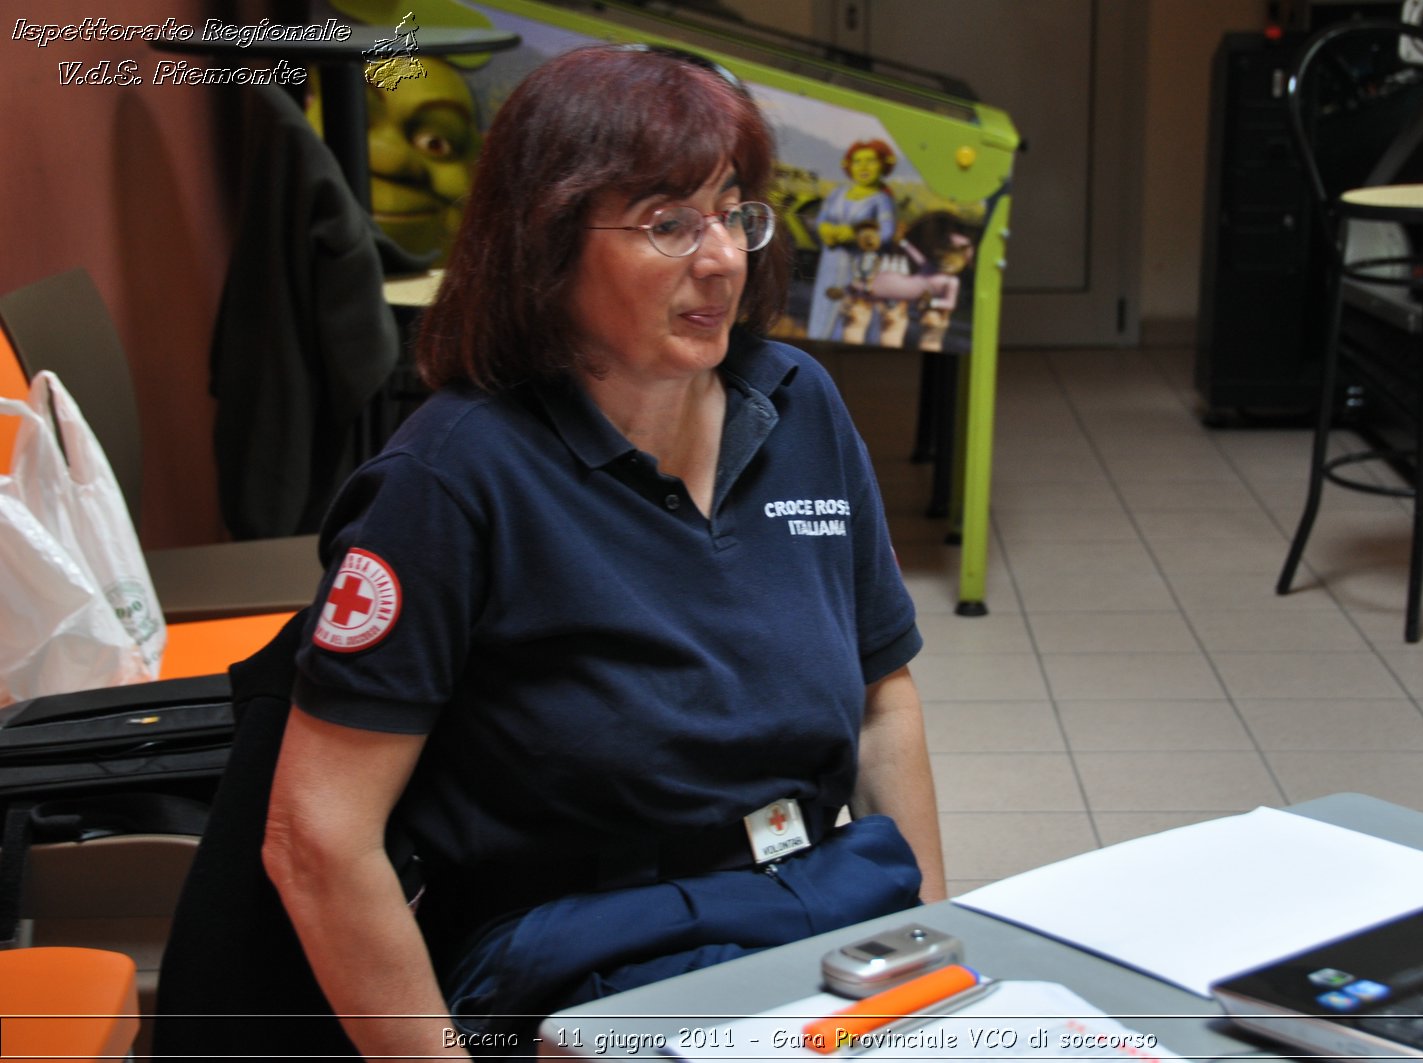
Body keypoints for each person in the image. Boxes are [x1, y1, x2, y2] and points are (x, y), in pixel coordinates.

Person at [261, 44, 946, 1060]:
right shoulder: (451, 480)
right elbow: (316, 838)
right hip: (589, 957)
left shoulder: (796, 402)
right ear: (545, 244)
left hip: (810, 911)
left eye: (733, 211)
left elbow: (880, 697)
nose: (721, 257)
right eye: (668, 223)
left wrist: (933, 955)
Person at [805, 139, 898, 342]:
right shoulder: (837, 194)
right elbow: (821, 220)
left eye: (870, 161)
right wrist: (826, 230)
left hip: (859, 267)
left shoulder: (881, 200)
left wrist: (857, 236)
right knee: (825, 305)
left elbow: (887, 233)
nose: (863, 167)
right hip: (830, 264)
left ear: (882, 165)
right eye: (857, 161)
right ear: (849, 166)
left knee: (851, 314)